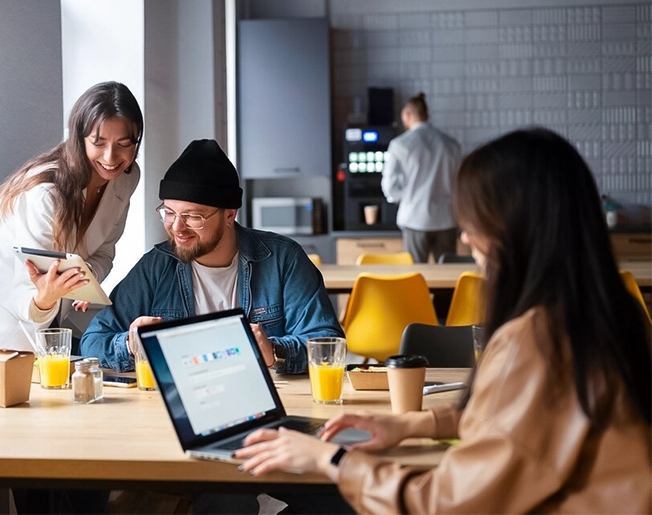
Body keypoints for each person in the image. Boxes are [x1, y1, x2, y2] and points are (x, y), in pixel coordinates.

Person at [236, 128, 652, 513]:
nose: (466, 236)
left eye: (474, 219)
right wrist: (411, 425)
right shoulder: (613, 312)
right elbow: (531, 421)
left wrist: (330, 458)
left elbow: (442, 504)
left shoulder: (535, 340)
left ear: (515, 225)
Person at [80, 138, 342, 375]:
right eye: (169, 213)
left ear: (229, 215)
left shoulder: (283, 259)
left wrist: (274, 352)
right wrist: (129, 344)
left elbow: (327, 342)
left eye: (193, 216)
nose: (177, 228)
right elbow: (92, 341)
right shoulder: (156, 266)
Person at [0, 81, 144, 361]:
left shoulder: (127, 178)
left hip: (46, 304)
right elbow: (29, 286)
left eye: (124, 144)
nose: (111, 157)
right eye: (98, 143)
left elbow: (104, 252)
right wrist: (50, 294)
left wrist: (84, 278)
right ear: (79, 138)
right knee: (11, 395)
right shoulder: (45, 194)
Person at [381, 92, 462, 263]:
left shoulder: (400, 144)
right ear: (426, 115)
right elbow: (460, 183)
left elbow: (389, 185)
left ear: (408, 114)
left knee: (416, 275)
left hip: (414, 219)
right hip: (446, 220)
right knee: (447, 275)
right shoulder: (451, 144)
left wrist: (401, 199)